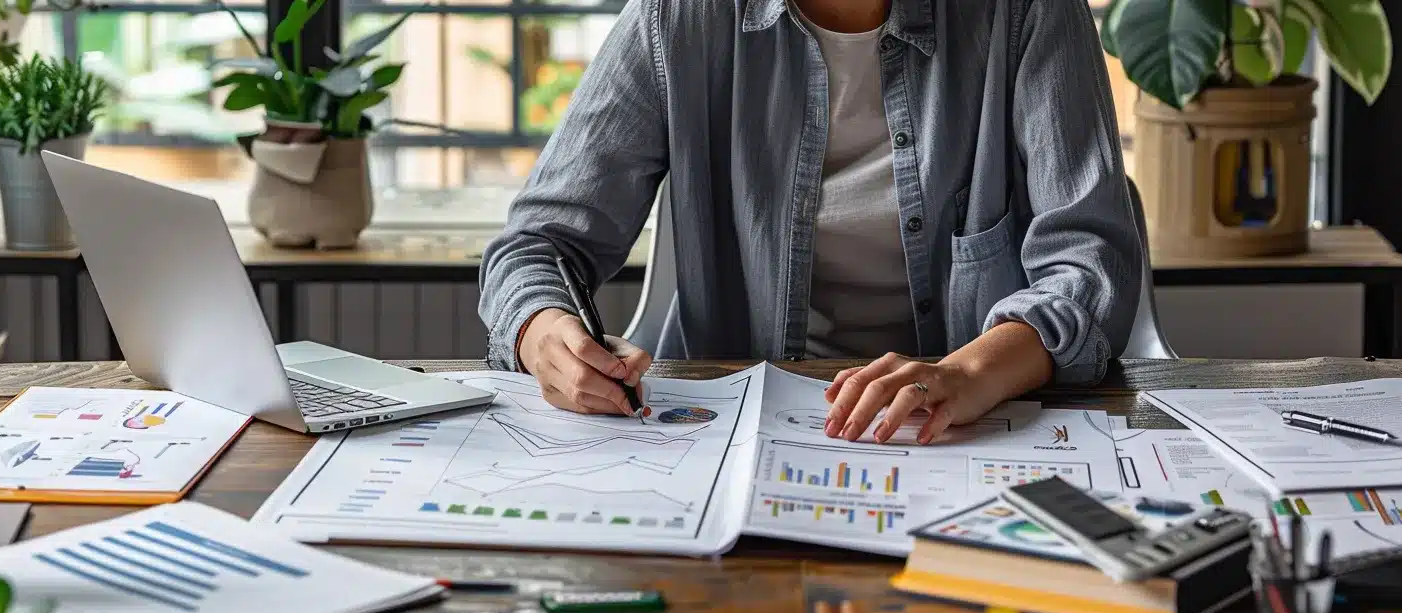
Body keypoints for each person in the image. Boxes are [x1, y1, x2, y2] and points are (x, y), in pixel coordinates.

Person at [478, 0, 1142, 444]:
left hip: (962, 429)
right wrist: (545, 336)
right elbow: (539, 245)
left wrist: (967, 375)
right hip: (730, 434)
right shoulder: (677, 18)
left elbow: (1089, 259)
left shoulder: (1025, 12)